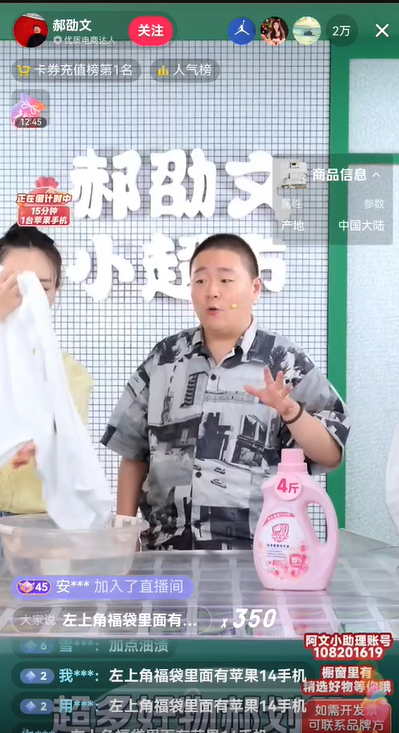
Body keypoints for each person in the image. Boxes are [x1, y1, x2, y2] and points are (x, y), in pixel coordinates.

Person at [102, 234, 351, 551]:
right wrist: (124, 534)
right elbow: (133, 453)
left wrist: (291, 411)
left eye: (225, 280)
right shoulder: (165, 358)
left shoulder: (285, 361)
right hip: (165, 552)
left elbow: (331, 454)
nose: (212, 292)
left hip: (261, 554)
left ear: (255, 288)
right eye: (200, 280)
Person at [0, 224, 93, 518]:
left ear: (55, 293)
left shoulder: (71, 374)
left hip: (35, 528)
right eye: (15, 285)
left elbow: (67, 450)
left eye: (42, 288)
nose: (29, 298)